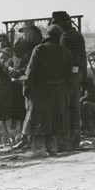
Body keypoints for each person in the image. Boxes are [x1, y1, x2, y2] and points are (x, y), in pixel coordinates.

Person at [22, 24, 73, 157]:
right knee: (55, 120)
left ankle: (38, 149)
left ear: (47, 35)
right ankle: (53, 148)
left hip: (41, 92)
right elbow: (69, 76)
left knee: (39, 119)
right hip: (59, 92)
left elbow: (31, 72)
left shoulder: (39, 49)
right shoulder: (66, 52)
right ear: (60, 36)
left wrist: (26, 89)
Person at [52, 11, 86, 151]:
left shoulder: (65, 37)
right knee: (74, 108)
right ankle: (74, 141)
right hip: (77, 76)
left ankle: (66, 143)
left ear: (61, 23)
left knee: (66, 109)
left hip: (69, 78)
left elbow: (67, 59)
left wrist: (66, 76)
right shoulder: (77, 34)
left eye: (55, 23)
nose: (54, 25)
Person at [11, 21, 43, 151]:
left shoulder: (37, 46)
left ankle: (29, 139)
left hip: (31, 82)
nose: (25, 35)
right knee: (22, 111)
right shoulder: (20, 46)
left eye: (27, 32)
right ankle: (24, 138)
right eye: (24, 32)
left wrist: (19, 72)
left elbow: (32, 65)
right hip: (19, 83)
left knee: (30, 111)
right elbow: (16, 61)